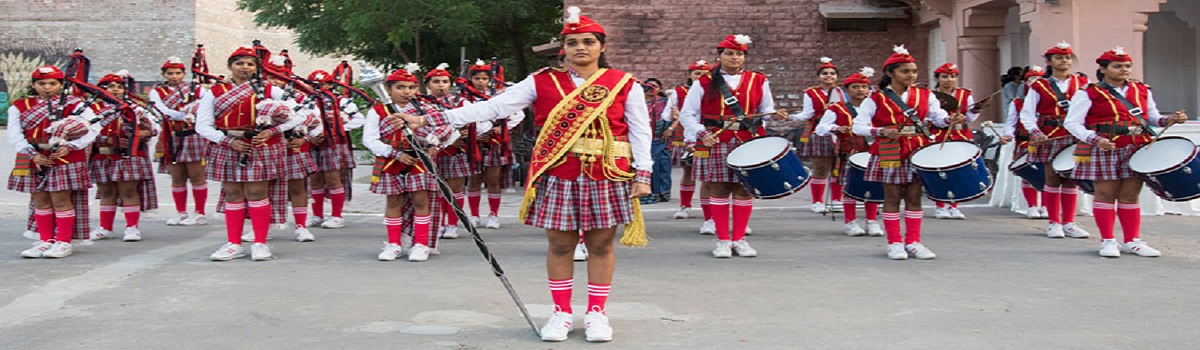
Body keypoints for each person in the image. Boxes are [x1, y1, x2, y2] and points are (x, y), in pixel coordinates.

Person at [399, 6, 652, 342]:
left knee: (601, 244)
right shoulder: (542, 80)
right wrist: (430, 119)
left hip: (606, 172)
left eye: (588, 42)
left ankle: (596, 313)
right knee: (560, 244)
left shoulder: (622, 83)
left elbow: (640, 129)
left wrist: (643, 173)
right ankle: (561, 312)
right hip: (558, 171)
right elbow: (493, 108)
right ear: (564, 48)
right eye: (573, 42)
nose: (580, 47)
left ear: (601, 46)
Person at [1064, 47, 1187, 258]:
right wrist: (1095, 139)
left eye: (1127, 66)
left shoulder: (1141, 89)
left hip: (1136, 146)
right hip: (1105, 147)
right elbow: (1072, 123)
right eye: (1118, 66)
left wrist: (1169, 120)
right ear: (1103, 69)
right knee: (1106, 194)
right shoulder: (1088, 93)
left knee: (1130, 195)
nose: (1124, 70)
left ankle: (1132, 240)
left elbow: (1151, 118)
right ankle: (1108, 240)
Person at [680, 34, 788, 258]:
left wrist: (775, 116)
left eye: (739, 54)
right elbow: (687, 114)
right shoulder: (704, 81)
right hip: (717, 138)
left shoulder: (759, 80)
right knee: (719, 188)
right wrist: (701, 134)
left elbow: (766, 111)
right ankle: (722, 240)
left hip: (749, 139)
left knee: (744, 189)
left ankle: (739, 239)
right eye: (729, 53)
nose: (735, 57)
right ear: (719, 56)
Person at [195, 47, 303, 261]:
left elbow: (298, 114)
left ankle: (260, 243)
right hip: (228, 145)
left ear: (256, 68)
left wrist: (272, 131)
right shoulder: (214, 92)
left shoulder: (269, 89)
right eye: (239, 63)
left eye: (250, 64)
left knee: (257, 192)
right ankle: (233, 244)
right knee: (233, 193)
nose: (245, 67)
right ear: (230, 66)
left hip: (261, 146)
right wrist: (228, 141)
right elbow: (203, 125)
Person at [851, 45, 956, 260]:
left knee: (914, 197)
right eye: (905, 71)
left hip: (918, 149)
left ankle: (913, 242)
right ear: (890, 73)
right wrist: (881, 131)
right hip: (890, 149)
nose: (911, 75)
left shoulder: (926, 95)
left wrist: (950, 119)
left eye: (914, 71)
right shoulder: (876, 98)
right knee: (892, 197)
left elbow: (938, 118)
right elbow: (858, 126)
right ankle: (894, 242)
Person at [363, 67, 453, 262]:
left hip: (419, 161)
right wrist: (395, 153)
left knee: (421, 202)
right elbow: (369, 140)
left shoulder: (424, 109)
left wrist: (434, 143)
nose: (406, 92)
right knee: (393, 202)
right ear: (389, 89)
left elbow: (446, 128)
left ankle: (421, 244)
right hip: (391, 161)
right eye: (400, 87)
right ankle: (394, 244)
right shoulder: (378, 111)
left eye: (411, 87)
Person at [9, 65, 99, 258]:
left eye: (52, 83)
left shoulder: (74, 104)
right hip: (35, 156)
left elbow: (93, 128)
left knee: (61, 199)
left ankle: (63, 242)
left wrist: (71, 146)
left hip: (64, 157)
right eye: (41, 83)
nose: (47, 87)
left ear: (60, 85)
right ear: (34, 85)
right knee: (40, 199)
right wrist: (32, 154)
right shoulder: (19, 106)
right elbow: (15, 134)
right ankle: (45, 240)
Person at [1019, 42, 1092, 239]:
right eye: (1059, 58)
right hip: (1050, 135)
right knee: (1052, 178)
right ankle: (1053, 222)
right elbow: (1027, 113)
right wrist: (1035, 132)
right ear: (1049, 62)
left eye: (1067, 57)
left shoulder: (1083, 83)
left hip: (1075, 136)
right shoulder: (1039, 85)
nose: (1064, 61)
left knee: (1070, 179)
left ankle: (1069, 222)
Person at [88, 71, 159, 242]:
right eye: (110, 86)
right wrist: (107, 139)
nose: (115, 90)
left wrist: (143, 133)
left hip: (128, 156)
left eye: (119, 87)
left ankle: (132, 227)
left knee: (128, 191)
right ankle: (105, 227)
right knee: (106, 192)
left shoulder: (135, 109)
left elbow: (155, 127)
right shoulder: (91, 110)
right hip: (103, 156)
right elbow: (85, 132)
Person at [815, 67, 883, 237]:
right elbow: (820, 128)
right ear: (847, 90)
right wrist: (836, 128)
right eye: (855, 87)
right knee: (850, 187)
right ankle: (850, 222)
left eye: (864, 87)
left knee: (873, 185)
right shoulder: (837, 108)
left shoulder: (876, 107)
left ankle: (871, 220)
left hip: (872, 151)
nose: (860, 90)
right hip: (850, 152)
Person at [264, 55, 322, 242]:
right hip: (267, 148)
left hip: (294, 148)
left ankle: (301, 226)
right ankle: (263, 228)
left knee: (297, 188)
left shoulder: (300, 97)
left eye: (279, 77)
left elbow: (318, 122)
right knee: (263, 190)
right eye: (270, 77)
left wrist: (305, 138)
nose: (274, 81)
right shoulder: (260, 94)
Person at [460, 59, 523, 229]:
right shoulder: (466, 97)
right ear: (471, 79)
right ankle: (474, 215)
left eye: (484, 78)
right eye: (477, 78)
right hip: (474, 142)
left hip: (494, 142)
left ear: (490, 79)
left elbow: (517, 114)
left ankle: (493, 214)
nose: (480, 82)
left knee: (493, 179)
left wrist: (502, 128)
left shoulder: (499, 96)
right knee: (474, 179)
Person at [426, 63, 486, 239]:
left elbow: (482, 122)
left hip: (455, 150)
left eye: (445, 82)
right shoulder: (422, 103)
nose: (441, 85)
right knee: (436, 189)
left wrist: (468, 134)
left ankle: (452, 224)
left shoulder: (460, 102)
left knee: (455, 189)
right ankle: (439, 223)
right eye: (436, 81)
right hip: (432, 151)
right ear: (428, 84)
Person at [151, 56, 210, 226]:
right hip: (171, 136)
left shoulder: (197, 89)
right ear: (164, 74)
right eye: (170, 73)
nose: (174, 76)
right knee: (177, 177)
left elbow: (207, 106)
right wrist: (184, 114)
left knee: (197, 176)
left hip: (193, 136)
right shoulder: (157, 92)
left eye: (178, 73)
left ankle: (200, 212)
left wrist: (194, 114)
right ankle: (180, 212)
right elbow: (161, 110)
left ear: (184, 74)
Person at [305, 70, 364, 230]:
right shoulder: (307, 101)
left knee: (333, 179)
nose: (318, 87)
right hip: (314, 143)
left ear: (330, 84)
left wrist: (337, 128)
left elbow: (359, 120)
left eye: (322, 84)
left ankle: (337, 216)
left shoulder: (341, 101)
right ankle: (317, 215)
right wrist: (310, 135)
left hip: (334, 143)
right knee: (315, 179)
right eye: (314, 85)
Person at [930, 62, 985, 220]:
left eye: (952, 76)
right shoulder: (931, 95)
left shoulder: (965, 94)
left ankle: (954, 205)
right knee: (939, 170)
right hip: (939, 134)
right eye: (944, 77)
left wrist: (975, 109)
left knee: (957, 170)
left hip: (960, 134)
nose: (949, 80)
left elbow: (970, 117)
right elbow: (927, 115)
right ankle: (940, 205)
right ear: (937, 78)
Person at [792, 57, 844, 213]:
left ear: (837, 76)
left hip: (841, 132)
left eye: (832, 73)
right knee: (821, 168)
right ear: (818, 76)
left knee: (839, 167)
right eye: (825, 73)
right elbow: (807, 113)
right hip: (820, 132)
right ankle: (817, 201)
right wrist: (790, 117)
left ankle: (836, 200)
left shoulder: (843, 92)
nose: (829, 76)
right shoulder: (811, 93)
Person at [662, 60, 709, 221]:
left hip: (707, 134)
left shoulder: (714, 90)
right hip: (685, 135)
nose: (700, 77)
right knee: (688, 171)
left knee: (707, 175)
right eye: (697, 74)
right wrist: (672, 115)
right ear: (690, 75)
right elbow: (665, 115)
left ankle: (711, 210)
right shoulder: (679, 92)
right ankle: (685, 205)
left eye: (704, 74)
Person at [1001, 66, 1048, 219]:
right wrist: (1008, 135)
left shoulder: (1050, 102)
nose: (1034, 82)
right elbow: (1011, 123)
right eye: (1031, 79)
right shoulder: (1017, 103)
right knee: (1029, 174)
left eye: (1039, 79)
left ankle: (1046, 206)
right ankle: (1032, 206)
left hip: (1045, 142)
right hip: (1024, 142)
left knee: (1048, 175)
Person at [644, 80, 671, 204]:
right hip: (644, 139)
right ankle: (649, 193)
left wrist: (670, 129)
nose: (652, 89)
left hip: (661, 138)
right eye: (648, 87)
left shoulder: (665, 102)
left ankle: (662, 193)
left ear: (660, 88)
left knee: (662, 165)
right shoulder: (639, 102)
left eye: (654, 86)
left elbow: (677, 116)